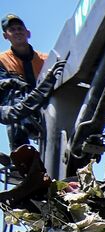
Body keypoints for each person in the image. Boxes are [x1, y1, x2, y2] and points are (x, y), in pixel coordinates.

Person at [0, 14, 60, 152]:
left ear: (28, 33)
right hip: (19, 109)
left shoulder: (46, 59)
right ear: (5, 36)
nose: (17, 32)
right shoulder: (2, 60)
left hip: (45, 105)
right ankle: (20, 152)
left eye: (20, 28)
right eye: (12, 30)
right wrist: (15, 82)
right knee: (13, 96)